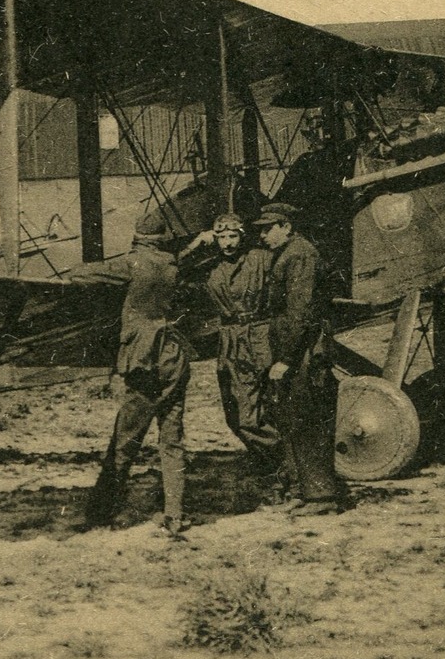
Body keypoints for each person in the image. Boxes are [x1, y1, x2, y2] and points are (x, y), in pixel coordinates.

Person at [70, 210, 213, 535]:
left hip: (144, 359)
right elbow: (179, 261)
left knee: (126, 439)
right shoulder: (171, 264)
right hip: (173, 356)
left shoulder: (132, 263)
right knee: (172, 439)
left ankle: (101, 513)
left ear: (138, 237)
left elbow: (81, 274)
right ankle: (174, 515)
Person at [253, 202, 350, 516]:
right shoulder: (288, 254)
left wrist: (285, 359)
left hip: (304, 352)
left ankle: (322, 497)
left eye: (269, 228)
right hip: (295, 351)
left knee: (307, 421)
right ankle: (301, 491)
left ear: (287, 226)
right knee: (291, 419)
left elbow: (300, 313)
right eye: (261, 229)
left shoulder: (300, 255)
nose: (264, 235)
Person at [202, 213, 288, 487]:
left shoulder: (261, 258)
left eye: (233, 236)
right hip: (230, 342)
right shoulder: (208, 266)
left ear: (242, 235)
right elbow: (174, 268)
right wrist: (196, 245)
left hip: (261, 336)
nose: (227, 243)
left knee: (268, 408)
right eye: (221, 237)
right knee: (237, 414)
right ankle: (280, 463)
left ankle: (284, 470)